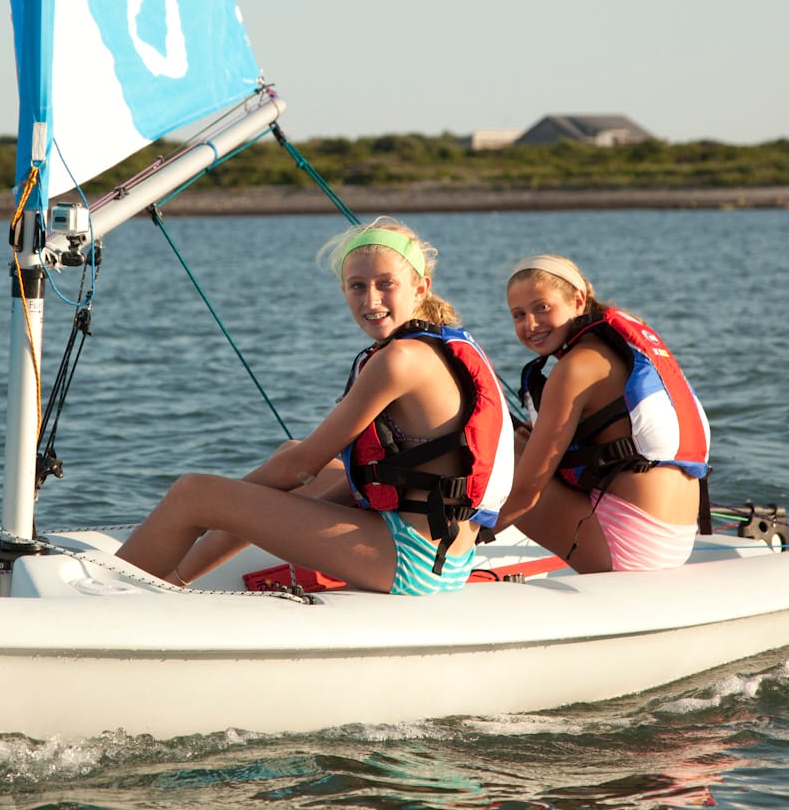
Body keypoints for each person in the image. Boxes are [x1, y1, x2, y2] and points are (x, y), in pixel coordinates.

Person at [116, 218, 514, 595]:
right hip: (446, 555)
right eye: (357, 286)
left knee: (195, 494)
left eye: (385, 284)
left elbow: (302, 468)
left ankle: (107, 596)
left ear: (420, 288)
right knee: (287, 454)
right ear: (343, 291)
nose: (371, 299)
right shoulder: (436, 345)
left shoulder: (399, 360)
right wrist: (272, 511)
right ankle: (176, 580)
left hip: (413, 560)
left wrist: (221, 511)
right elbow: (339, 469)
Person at [496, 254, 710, 573]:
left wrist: (469, 537)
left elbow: (527, 493)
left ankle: (431, 547)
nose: (531, 324)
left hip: (628, 547)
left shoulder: (575, 367)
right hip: (677, 540)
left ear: (578, 299)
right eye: (518, 315)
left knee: (496, 446)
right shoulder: (618, 347)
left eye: (542, 307)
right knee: (524, 446)